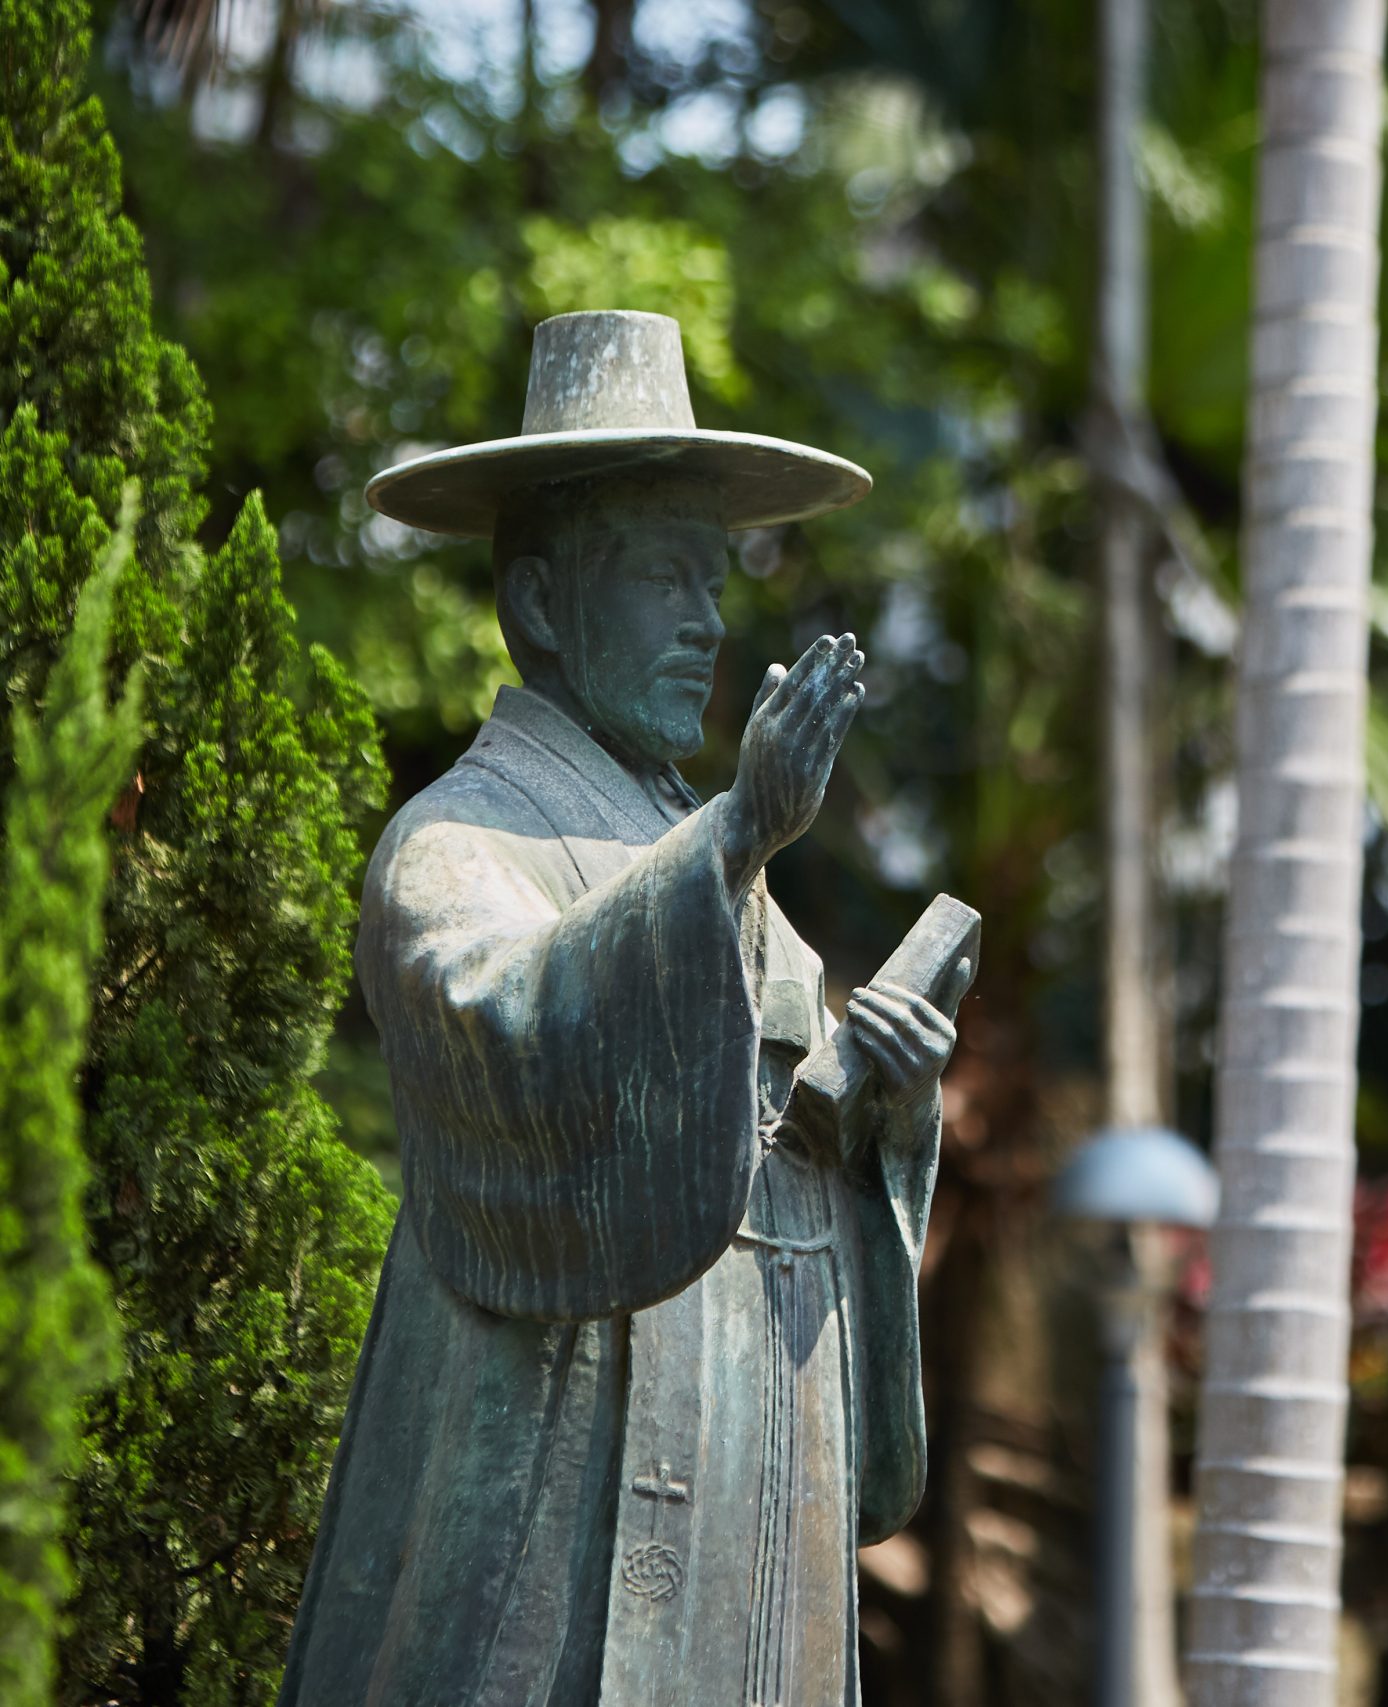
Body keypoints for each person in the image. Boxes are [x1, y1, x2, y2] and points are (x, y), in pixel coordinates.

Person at [278, 311, 970, 1706]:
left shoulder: (702, 845)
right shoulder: (459, 843)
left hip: (751, 1481)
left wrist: (882, 1102)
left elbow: (780, 1139)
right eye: (662, 576)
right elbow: (511, 1032)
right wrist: (725, 843)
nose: (707, 622)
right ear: (539, 602)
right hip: (562, 1482)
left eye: (712, 578)